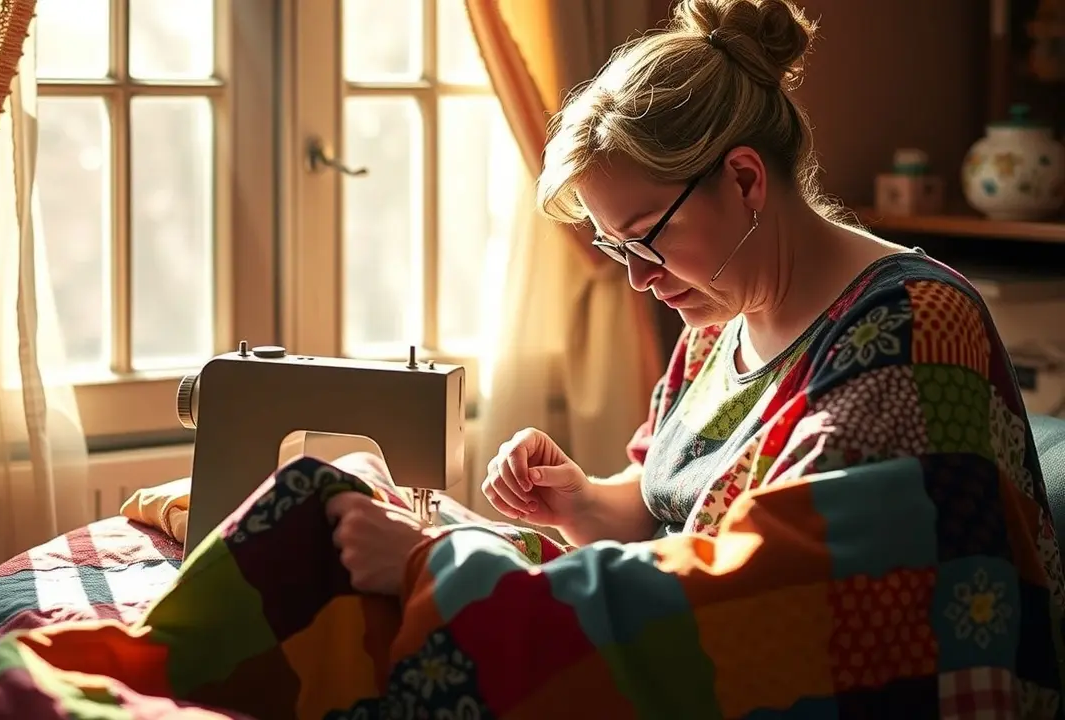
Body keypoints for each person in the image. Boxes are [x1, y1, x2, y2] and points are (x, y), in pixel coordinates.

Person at [320, 0, 1065, 715]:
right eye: (616, 248)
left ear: (745, 180)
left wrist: (442, 568)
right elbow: (659, 504)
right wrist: (582, 502)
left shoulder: (912, 328)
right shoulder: (718, 320)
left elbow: (777, 590)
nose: (638, 277)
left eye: (647, 236)